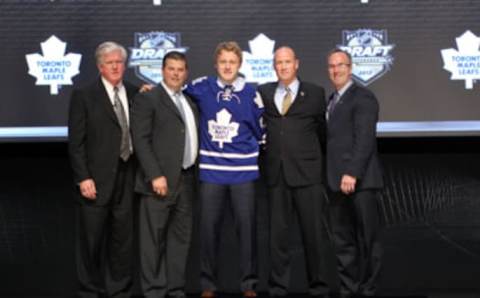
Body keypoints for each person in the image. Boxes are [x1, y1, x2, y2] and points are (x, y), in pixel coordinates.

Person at [184, 41, 264, 298]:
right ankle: (208, 285)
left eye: (232, 62)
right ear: (216, 64)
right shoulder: (202, 87)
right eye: (223, 62)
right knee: (208, 231)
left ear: (239, 64)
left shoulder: (252, 92)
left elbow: (261, 129)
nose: (228, 66)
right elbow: (175, 92)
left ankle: (249, 285)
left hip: (244, 174)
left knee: (247, 232)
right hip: (212, 172)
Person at [257, 46, 330, 298]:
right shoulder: (263, 92)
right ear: (274, 65)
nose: (283, 66)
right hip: (276, 175)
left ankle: (318, 288)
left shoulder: (316, 93)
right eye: (279, 62)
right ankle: (278, 288)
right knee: (278, 239)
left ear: (296, 63)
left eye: (288, 61)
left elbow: (323, 133)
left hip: (307, 175)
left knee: (314, 236)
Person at [68, 41, 138, 298]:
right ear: (100, 67)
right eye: (110, 63)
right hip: (95, 181)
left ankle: (119, 290)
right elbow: (76, 143)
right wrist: (83, 177)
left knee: (122, 240)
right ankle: (89, 290)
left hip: (127, 175)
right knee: (91, 240)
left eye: (119, 62)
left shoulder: (134, 92)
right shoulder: (84, 96)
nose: (116, 67)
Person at [130, 51, 198, 298]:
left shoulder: (189, 101)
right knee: (152, 242)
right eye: (171, 68)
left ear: (186, 73)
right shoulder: (148, 99)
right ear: (162, 70)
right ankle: (154, 292)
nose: (176, 73)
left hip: (187, 179)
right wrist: (155, 175)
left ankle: (176, 289)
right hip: (159, 182)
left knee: (181, 240)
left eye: (180, 69)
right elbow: (140, 139)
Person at [325, 49, 384, 298]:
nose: (336, 70)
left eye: (341, 65)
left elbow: (365, 140)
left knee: (369, 241)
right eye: (331, 66)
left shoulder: (363, 97)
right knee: (343, 242)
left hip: (360, 182)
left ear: (350, 68)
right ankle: (349, 289)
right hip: (337, 184)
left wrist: (352, 173)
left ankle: (368, 290)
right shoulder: (332, 99)